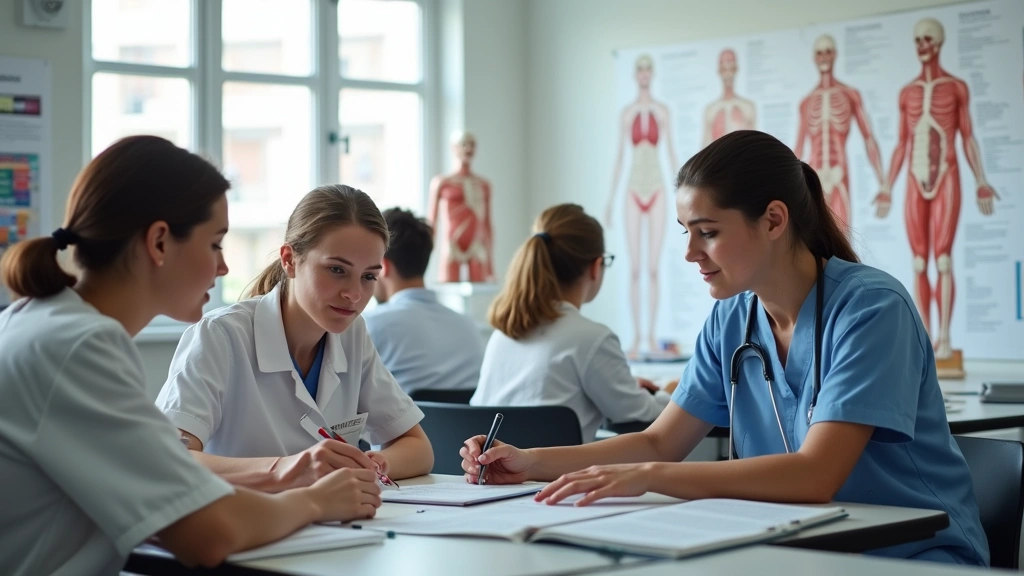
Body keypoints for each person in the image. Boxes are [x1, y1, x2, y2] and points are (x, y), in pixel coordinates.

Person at [460, 131, 988, 566]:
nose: (690, 253)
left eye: (707, 232)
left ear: (775, 221)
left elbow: (815, 474)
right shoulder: (731, 319)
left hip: (912, 554)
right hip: (798, 548)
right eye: (686, 232)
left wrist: (649, 480)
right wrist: (530, 462)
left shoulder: (872, 310)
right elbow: (656, 443)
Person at [0, 136, 382, 575]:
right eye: (216, 244)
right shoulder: (80, 347)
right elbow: (207, 532)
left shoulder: (41, 321)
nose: (222, 268)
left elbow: (179, 487)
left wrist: (287, 480)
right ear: (160, 242)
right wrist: (316, 500)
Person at [156, 185, 433, 491]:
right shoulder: (220, 335)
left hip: (326, 524)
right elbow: (169, 460)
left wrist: (374, 464)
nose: (354, 294)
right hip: (245, 526)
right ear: (289, 259)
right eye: (337, 269)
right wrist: (285, 469)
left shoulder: (352, 335)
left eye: (368, 276)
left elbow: (417, 447)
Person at [470, 204, 673, 443]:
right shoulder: (592, 338)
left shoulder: (503, 335)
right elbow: (641, 415)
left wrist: (625, 386)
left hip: (491, 476)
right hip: (555, 477)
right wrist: (668, 393)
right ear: (596, 267)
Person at [363, 207, 485, 395]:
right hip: (475, 425)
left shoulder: (368, 325)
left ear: (383, 266)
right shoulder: (468, 325)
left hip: (405, 424)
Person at [606, 55, 679, 359]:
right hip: (634, 187)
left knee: (652, 268)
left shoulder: (662, 112)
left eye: (649, 69)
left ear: (653, 74)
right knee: (635, 269)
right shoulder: (627, 114)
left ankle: (650, 337)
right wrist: (609, 201)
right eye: (641, 70)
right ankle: (637, 338)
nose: (645, 74)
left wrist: (684, 194)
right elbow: (621, 157)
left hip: (659, 188)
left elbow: (672, 152)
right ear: (636, 75)